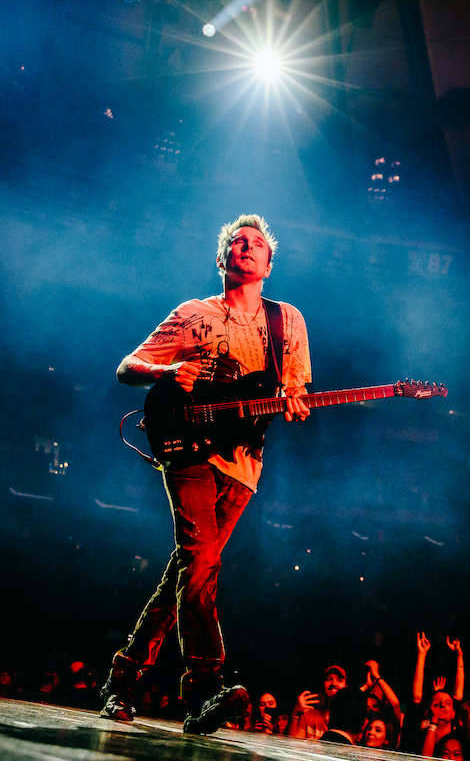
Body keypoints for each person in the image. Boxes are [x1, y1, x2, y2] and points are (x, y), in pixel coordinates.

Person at [98, 214, 312, 735]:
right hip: (187, 447)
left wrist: (295, 402)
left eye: (256, 244)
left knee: (188, 570)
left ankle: (123, 679)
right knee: (200, 563)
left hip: (244, 460)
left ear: (268, 264)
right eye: (237, 242)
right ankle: (204, 687)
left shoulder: (289, 322)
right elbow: (128, 367)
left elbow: (295, 389)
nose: (246, 247)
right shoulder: (192, 314)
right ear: (222, 260)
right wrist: (166, 370)